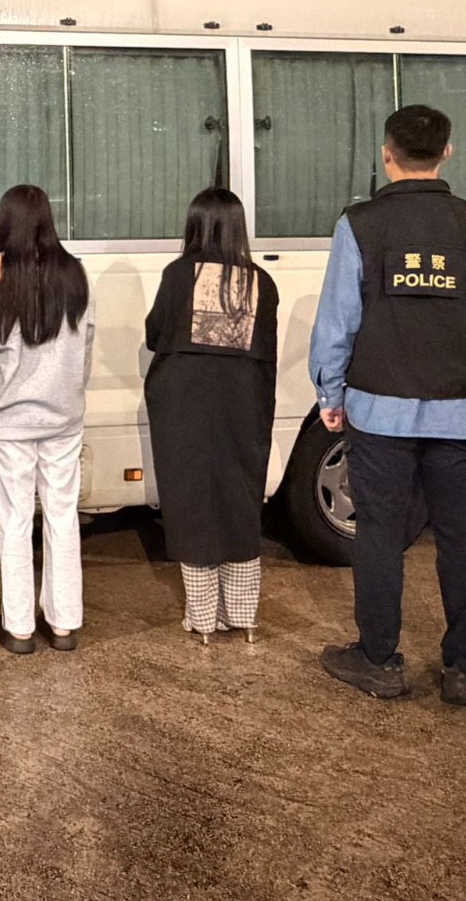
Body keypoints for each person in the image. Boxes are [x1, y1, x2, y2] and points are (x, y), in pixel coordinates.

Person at [310, 105, 466, 708]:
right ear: (447, 152)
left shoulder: (359, 225)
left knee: (379, 534)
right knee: (463, 540)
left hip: (379, 414)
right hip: (463, 413)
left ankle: (378, 660)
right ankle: (464, 671)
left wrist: (330, 394)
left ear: (387, 154)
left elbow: (338, 322)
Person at [144, 188, 279, 643]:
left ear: (195, 225)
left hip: (182, 405)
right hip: (244, 404)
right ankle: (243, 615)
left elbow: (155, 333)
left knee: (191, 502)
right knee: (240, 498)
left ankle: (202, 618)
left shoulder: (179, 274)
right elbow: (268, 350)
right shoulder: (261, 282)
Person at [0, 185, 95, 654]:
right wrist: (70, 392)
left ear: (4, 221)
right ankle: (64, 624)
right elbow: (86, 343)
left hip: (11, 418)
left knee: (15, 518)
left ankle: (19, 627)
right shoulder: (74, 272)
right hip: (64, 416)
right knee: (63, 516)